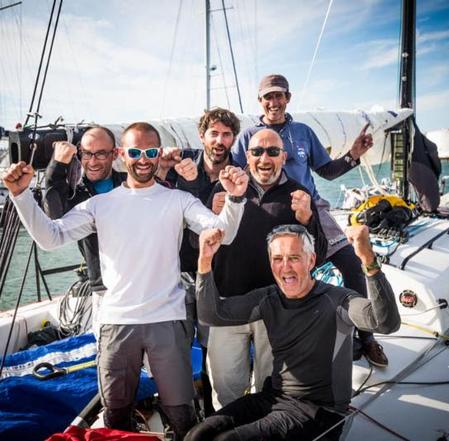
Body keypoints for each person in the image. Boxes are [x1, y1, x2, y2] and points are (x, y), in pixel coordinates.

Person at [2, 122, 249, 439]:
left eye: (150, 152)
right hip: (116, 322)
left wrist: (236, 199)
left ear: (159, 154)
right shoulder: (98, 205)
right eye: (135, 152)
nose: (143, 159)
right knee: (116, 417)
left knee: (183, 415)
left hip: (168, 320)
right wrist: (21, 195)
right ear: (122, 155)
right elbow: (51, 238)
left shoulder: (178, 201)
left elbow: (221, 234)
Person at [186, 225, 401, 441]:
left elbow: (386, 323)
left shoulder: (337, 300)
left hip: (320, 412)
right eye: (278, 259)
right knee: (197, 435)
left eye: (294, 258)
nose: (285, 267)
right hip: (274, 397)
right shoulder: (269, 299)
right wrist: (205, 261)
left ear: (311, 260)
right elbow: (212, 315)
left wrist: (367, 259)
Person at [233, 73, 389, 367]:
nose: (274, 102)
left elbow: (327, 171)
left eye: (279, 95)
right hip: (269, 209)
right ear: (260, 101)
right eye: (268, 96)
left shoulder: (303, 132)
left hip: (312, 206)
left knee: (352, 266)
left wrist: (353, 155)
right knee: (286, 273)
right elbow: (229, 172)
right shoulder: (248, 137)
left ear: (288, 98)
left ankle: (366, 337)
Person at [205, 128, 327, 411]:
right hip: (227, 305)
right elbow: (195, 245)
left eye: (273, 151)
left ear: (284, 157)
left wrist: (307, 220)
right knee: (225, 390)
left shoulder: (299, 193)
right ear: (247, 157)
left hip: (276, 309)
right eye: (257, 151)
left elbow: (317, 255)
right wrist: (212, 217)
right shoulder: (224, 189)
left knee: (271, 388)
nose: (264, 158)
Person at [156, 107, 242, 414]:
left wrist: (231, 203)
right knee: (175, 350)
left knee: (214, 351)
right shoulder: (182, 165)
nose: (220, 140)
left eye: (227, 134)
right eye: (214, 133)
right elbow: (155, 206)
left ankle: (212, 415)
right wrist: (167, 168)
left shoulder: (239, 174)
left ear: (234, 138)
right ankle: (180, 415)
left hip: (218, 277)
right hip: (177, 274)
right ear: (202, 136)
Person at [43, 126, 125, 335]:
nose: (93, 161)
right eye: (87, 153)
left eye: (100, 153)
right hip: (103, 291)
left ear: (114, 154)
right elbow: (53, 217)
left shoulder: (129, 183)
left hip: (139, 286)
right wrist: (57, 165)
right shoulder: (75, 194)